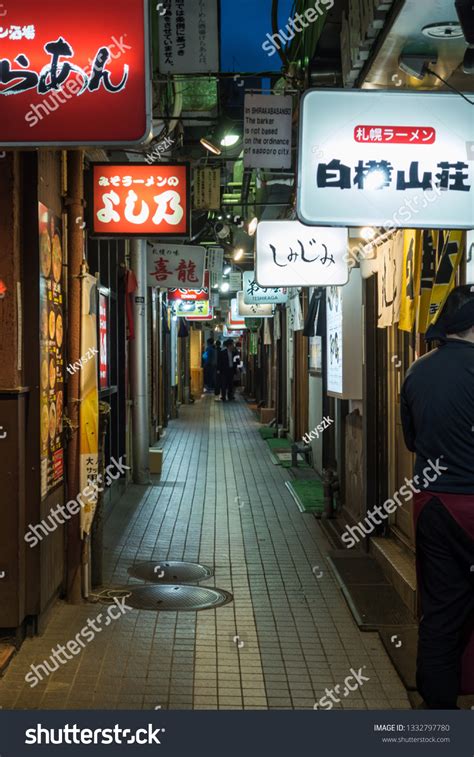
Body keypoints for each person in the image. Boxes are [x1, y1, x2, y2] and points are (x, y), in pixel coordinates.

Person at [400, 285, 474, 709]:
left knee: (441, 616)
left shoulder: (417, 370)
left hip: (436, 505)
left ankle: (438, 719)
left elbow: (411, 440)